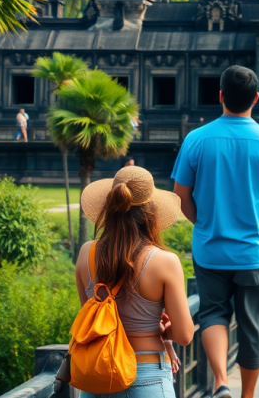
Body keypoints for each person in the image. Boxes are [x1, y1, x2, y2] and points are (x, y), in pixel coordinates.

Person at [171, 66, 259, 398]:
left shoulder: (197, 139)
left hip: (210, 248)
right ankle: (247, 395)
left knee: (213, 314)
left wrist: (204, 222)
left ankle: (221, 381)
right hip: (254, 252)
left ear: (221, 96)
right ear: (256, 98)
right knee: (253, 325)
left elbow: (181, 196)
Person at [75, 167, 195, 398]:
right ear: (152, 211)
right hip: (147, 376)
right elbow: (184, 335)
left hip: (98, 378)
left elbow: (92, 319)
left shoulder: (86, 254)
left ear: (109, 206)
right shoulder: (165, 261)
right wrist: (163, 330)